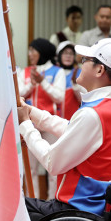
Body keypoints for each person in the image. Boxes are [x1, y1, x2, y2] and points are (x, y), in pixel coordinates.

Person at [17, 38, 111, 221]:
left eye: (85, 60)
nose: (79, 62)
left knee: (11, 206)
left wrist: (25, 125)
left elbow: (51, 162)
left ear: (99, 70)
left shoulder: (92, 114)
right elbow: (75, 130)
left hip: (76, 208)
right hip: (102, 203)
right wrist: (32, 114)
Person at [18, 38, 65, 200]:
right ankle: (34, 203)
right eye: (29, 50)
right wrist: (32, 84)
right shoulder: (24, 71)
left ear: (42, 51)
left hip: (50, 124)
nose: (30, 54)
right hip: (29, 124)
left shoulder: (57, 71)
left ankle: (53, 204)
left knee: (53, 168)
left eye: (33, 50)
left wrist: (42, 82)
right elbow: (19, 96)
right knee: (30, 169)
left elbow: (59, 97)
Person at [55, 41, 84, 119]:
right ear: (59, 55)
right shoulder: (53, 72)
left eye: (71, 53)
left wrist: (75, 85)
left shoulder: (80, 72)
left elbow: (84, 99)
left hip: (73, 119)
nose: (68, 56)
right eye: (65, 53)